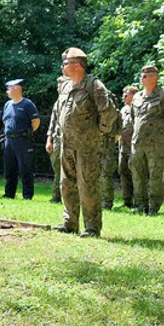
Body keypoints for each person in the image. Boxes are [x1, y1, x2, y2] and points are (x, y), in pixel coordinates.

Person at [54, 48, 118, 237]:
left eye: (66, 63)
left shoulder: (94, 85)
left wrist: (100, 132)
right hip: (67, 145)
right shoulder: (66, 86)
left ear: (77, 65)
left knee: (88, 185)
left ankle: (91, 227)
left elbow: (109, 111)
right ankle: (70, 223)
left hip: (87, 146)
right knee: (66, 184)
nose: (63, 67)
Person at [129, 65, 164, 215]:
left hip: (155, 145)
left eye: (146, 76)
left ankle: (153, 207)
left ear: (154, 78)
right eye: (142, 76)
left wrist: (163, 134)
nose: (142, 79)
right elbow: (134, 118)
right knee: (137, 175)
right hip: (138, 143)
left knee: (156, 176)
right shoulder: (137, 97)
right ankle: (140, 206)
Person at [2, 79, 40, 199]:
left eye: (10, 88)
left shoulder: (27, 104)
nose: (7, 91)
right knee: (9, 169)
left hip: (23, 140)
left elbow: (36, 121)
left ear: (17, 88)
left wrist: (25, 133)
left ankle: (27, 195)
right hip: (9, 140)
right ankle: (9, 194)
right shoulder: (7, 104)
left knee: (25, 169)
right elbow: (5, 120)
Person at [99, 88, 121, 209]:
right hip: (97, 144)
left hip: (107, 145)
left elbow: (117, 131)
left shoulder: (115, 112)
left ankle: (107, 202)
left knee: (106, 174)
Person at [118, 86, 137, 208]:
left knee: (135, 175)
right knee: (123, 173)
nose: (124, 97)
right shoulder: (123, 109)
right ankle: (127, 201)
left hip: (134, 148)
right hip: (123, 148)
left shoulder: (138, 109)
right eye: (123, 94)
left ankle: (138, 201)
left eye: (127, 94)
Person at [45, 84, 63, 204]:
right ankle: (56, 196)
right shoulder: (58, 102)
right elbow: (52, 122)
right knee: (57, 168)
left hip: (69, 140)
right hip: (57, 140)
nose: (58, 88)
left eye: (60, 85)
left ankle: (63, 197)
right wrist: (49, 140)